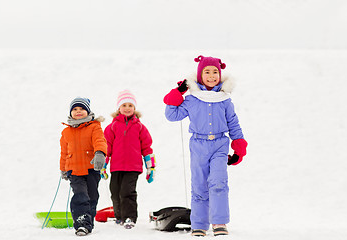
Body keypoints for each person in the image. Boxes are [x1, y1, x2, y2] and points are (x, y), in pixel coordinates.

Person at [163, 55, 248, 237]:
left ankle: (219, 222)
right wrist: (178, 92)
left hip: (219, 144)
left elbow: (233, 123)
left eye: (215, 72)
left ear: (220, 74)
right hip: (199, 145)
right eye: (207, 72)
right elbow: (172, 115)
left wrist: (239, 145)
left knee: (218, 183)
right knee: (199, 185)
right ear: (200, 75)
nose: (211, 76)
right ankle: (199, 224)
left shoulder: (224, 99)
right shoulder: (193, 99)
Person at [101, 90, 156, 229]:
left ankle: (130, 217)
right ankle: (119, 216)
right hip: (117, 166)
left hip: (133, 167)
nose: (127, 108)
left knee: (127, 192)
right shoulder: (112, 127)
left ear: (134, 108)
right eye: (124, 105)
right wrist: (103, 165)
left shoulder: (140, 127)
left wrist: (151, 167)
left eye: (130, 105)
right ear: (118, 108)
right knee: (115, 191)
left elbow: (147, 148)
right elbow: (106, 148)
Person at [60, 97, 107, 236]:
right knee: (80, 196)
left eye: (81, 109)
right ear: (70, 112)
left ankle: (88, 221)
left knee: (92, 197)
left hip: (91, 169)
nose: (78, 112)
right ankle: (81, 223)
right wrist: (63, 168)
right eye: (75, 109)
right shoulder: (66, 132)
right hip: (74, 170)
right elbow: (64, 152)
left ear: (88, 111)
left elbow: (100, 141)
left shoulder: (94, 126)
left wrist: (99, 153)